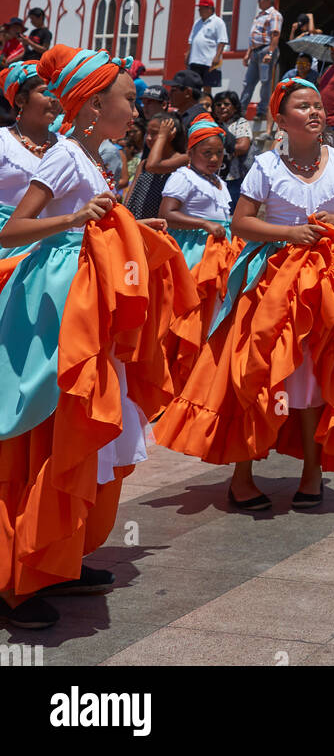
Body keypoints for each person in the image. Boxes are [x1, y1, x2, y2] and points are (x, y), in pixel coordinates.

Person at [0, 45, 187, 630]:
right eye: (128, 99)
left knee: (76, 430)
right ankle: (17, 577)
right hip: (57, 312)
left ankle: (60, 556)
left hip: (83, 307)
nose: (137, 109)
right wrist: (74, 221)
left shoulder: (89, 157)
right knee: (50, 431)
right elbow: (13, 230)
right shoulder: (63, 157)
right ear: (93, 106)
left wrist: (133, 223)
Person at [153, 77, 334, 512]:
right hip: (272, 280)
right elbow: (242, 223)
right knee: (262, 371)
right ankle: (243, 475)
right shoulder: (266, 166)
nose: (314, 112)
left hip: (323, 281)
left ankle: (312, 472)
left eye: (318, 106)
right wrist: (290, 231)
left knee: (313, 375)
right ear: (282, 120)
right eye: (303, 106)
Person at [159, 115, 240, 338]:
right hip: (194, 252)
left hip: (218, 254)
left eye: (219, 153)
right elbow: (166, 214)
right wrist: (204, 224)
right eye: (207, 153)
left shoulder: (218, 181)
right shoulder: (183, 177)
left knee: (213, 312)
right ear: (191, 152)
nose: (214, 158)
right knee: (191, 308)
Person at [0, 63, 58, 236]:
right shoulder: (3, 141)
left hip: (50, 250)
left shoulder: (67, 147)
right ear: (20, 100)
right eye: (46, 92)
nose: (54, 99)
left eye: (58, 93)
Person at [124, 113, 188, 219]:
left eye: (154, 133)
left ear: (171, 134)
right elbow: (130, 198)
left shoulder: (183, 160)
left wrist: (162, 136)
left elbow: (153, 166)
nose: (148, 138)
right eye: (147, 133)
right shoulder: (144, 164)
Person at [240, 0, 283, 125]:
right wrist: (248, 53)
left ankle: (261, 111)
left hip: (265, 49)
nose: (258, 2)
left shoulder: (274, 15)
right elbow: (254, 36)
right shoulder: (259, 16)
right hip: (255, 51)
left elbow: (275, 34)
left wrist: (270, 53)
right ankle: (241, 110)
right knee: (248, 82)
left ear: (267, 0)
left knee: (265, 82)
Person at [212, 91, 253, 207]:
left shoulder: (240, 123)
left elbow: (242, 147)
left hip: (233, 178)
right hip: (214, 177)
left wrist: (216, 150)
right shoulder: (212, 123)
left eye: (226, 104)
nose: (222, 107)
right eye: (218, 105)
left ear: (235, 108)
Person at [186, 0, 228, 96]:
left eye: (202, 8)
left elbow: (222, 41)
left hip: (209, 61)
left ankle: (207, 107)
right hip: (195, 60)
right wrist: (188, 53)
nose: (199, 11)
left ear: (210, 9)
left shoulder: (218, 22)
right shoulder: (197, 22)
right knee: (193, 86)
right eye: (199, 8)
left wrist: (217, 56)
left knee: (207, 86)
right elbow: (191, 39)